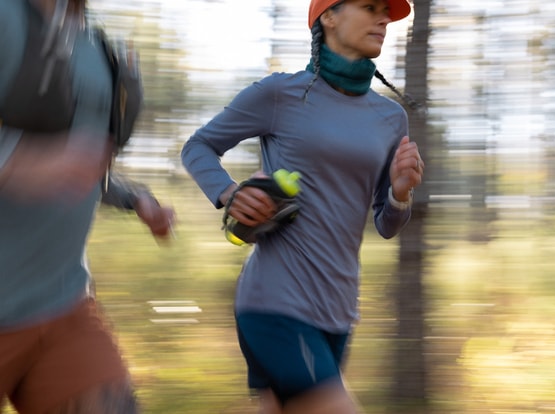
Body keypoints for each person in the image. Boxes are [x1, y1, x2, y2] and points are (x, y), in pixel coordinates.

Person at [180, 0, 423, 413]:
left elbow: (387, 223)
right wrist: (231, 194)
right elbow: (199, 146)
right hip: (276, 301)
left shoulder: (390, 118)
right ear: (328, 16)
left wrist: (401, 192)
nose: (384, 19)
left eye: (387, 11)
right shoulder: (280, 94)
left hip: (338, 309)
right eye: (370, 7)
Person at [0, 0, 175, 413]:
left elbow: (79, 166)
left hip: (62, 308)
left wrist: (137, 200)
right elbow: (41, 161)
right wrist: (16, 162)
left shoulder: (100, 50)